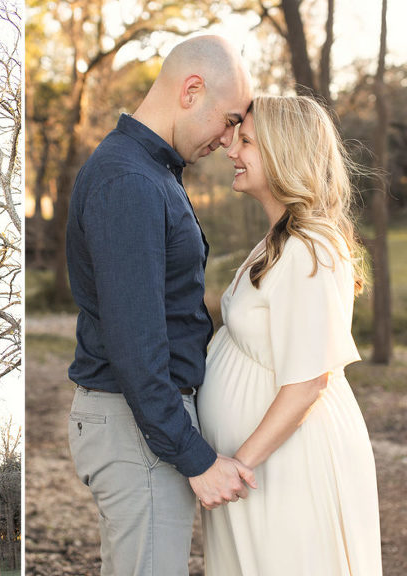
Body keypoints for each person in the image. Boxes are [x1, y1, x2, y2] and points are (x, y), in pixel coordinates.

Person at [66, 35, 255, 575]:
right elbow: (136, 344)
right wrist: (194, 456)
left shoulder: (152, 172)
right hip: (137, 429)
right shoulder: (129, 180)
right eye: (228, 119)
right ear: (192, 90)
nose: (227, 139)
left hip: (142, 427)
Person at [198, 94, 382, 575]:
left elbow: (308, 381)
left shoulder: (310, 247)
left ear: (285, 153)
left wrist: (237, 468)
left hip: (285, 463)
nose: (232, 151)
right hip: (263, 467)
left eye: (247, 142)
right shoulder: (280, 239)